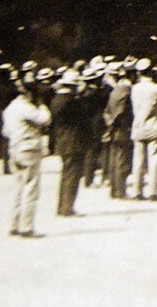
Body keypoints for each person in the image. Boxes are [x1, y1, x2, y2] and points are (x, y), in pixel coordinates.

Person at [2, 78, 51, 237]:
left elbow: (5, 131)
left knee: (18, 188)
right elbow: (45, 119)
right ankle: (27, 227)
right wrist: (42, 106)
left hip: (15, 148)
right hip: (29, 149)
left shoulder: (10, 108)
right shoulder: (27, 108)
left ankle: (14, 224)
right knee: (31, 188)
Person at [130, 59, 157, 201]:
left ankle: (137, 191)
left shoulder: (134, 88)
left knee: (138, 161)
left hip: (138, 126)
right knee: (154, 161)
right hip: (154, 127)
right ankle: (153, 192)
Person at [51, 69, 91, 216]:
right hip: (73, 141)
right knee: (72, 175)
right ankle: (68, 207)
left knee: (66, 174)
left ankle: (62, 205)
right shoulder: (72, 102)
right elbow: (84, 116)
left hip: (63, 140)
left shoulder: (57, 100)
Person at [103, 67, 133, 199]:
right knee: (122, 161)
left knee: (114, 160)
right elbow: (121, 113)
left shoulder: (114, 92)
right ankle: (120, 191)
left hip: (114, 130)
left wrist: (109, 126)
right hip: (122, 130)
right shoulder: (125, 92)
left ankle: (114, 190)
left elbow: (107, 112)